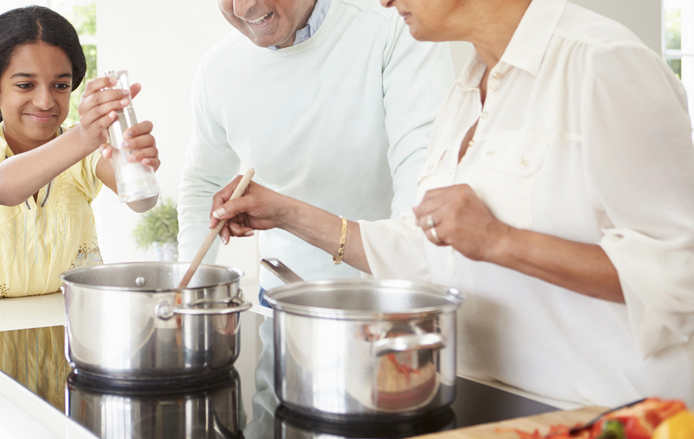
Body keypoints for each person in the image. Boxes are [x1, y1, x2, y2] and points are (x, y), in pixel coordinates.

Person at [209, 0, 694, 408]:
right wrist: (287, 213)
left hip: (603, 416)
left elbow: (682, 271)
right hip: (490, 409)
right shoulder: (468, 87)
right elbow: (428, 251)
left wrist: (502, 242)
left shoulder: (603, 62)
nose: (383, 0)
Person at [177, 0, 454, 299]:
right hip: (282, 300)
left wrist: (405, 291)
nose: (242, 8)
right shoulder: (217, 70)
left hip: (389, 298)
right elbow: (204, 183)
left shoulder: (396, 26)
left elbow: (422, 185)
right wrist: (188, 293)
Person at [0, 6, 160, 298]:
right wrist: (83, 137)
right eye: (26, 85)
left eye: (60, 85)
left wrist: (137, 163)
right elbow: (0, 186)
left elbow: (142, 202)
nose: (45, 101)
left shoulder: (88, 150)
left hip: (64, 314)